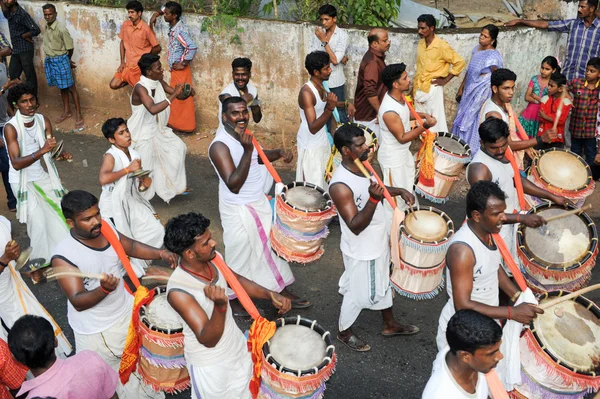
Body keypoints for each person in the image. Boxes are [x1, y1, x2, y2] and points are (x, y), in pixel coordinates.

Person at [51, 190, 178, 399]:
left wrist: (160, 253)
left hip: (124, 310)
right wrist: (103, 290)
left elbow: (131, 246)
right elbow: (78, 301)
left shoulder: (106, 229)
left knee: (136, 364)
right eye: (87, 219)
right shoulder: (64, 256)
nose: (96, 222)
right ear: (70, 222)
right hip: (99, 331)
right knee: (109, 381)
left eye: (97, 214)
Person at [163, 212, 291, 399]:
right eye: (206, 243)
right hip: (211, 367)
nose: (213, 243)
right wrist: (221, 307)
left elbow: (235, 280)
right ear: (190, 253)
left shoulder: (214, 259)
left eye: (210, 238)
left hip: (237, 347)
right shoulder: (179, 292)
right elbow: (208, 339)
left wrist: (269, 294)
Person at [209, 97, 309, 309]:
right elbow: (234, 184)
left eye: (244, 112)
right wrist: (247, 151)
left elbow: (258, 157)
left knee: (268, 248)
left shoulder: (243, 136)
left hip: (257, 202)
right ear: (224, 117)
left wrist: (278, 153)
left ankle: (280, 289)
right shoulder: (219, 146)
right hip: (239, 208)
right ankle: (234, 300)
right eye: (235, 113)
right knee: (240, 253)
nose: (242, 117)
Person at [329, 123, 419, 352]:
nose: (366, 147)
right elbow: (355, 225)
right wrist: (372, 200)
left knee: (382, 280)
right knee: (359, 292)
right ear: (346, 151)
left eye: (365, 142)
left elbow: (377, 188)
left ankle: (389, 323)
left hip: (377, 240)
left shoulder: (364, 165)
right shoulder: (340, 185)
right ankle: (344, 331)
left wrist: (397, 190)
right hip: (362, 247)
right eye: (359, 145)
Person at [436, 180, 544, 350]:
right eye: (497, 213)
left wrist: (520, 297)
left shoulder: (487, 230)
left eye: (503, 211)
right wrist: (511, 313)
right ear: (477, 216)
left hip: (486, 322)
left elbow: (494, 267)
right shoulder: (462, 251)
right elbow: (462, 305)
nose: (503, 217)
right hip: (464, 333)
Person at [466, 118, 571, 268]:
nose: (500, 151)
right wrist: (521, 218)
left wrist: (551, 196)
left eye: (503, 145)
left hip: (508, 224)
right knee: (501, 277)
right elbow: (485, 215)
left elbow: (516, 180)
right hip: (494, 234)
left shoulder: (503, 153)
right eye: (494, 148)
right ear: (482, 143)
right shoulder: (480, 170)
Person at [4, 83, 69, 262]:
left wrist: (60, 154)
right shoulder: (11, 127)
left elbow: (50, 150)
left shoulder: (43, 120)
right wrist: (41, 151)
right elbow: (16, 163)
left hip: (40, 175)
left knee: (60, 210)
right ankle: (41, 261)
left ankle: (62, 253)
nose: (30, 104)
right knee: (38, 222)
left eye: (32, 99)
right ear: (16, 105)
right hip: (21, 181)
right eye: (24, 101)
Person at [99, 117, 165, 277]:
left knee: (155, 229)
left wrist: (145, 183)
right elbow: (103, 178)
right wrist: (127, 170)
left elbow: (140, 185)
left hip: (132, 200)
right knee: (123, 239)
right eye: (121, 133)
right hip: (113, 206)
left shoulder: (135, 154)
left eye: (126, 130)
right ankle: (133, 270)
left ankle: (143, 262)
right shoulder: (111, 156)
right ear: (112, 139)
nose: (127, 135)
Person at [0, 215, 72, 357]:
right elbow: (6, 257)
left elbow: (13, 255)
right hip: (3, 301)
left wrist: (26, 269)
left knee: (33, 333)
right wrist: (4, 259)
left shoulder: (2, 222)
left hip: (13, 288)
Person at [9, 315, 118, 399]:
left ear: (17, 359)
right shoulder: (90, 359)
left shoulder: (37, 396)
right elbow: (112, 396)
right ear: (56, 342)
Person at [129, 53, 188, 203]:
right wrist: (175, 94)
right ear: (149, 72)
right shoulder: (140, 88)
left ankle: (172, 186)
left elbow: (175, 94)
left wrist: (186, 92)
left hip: (157, 129)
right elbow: (153, 109)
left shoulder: (158, 81)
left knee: (179, 148)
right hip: (141, 133)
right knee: (145, 169)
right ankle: (138, 201)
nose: (162, 70)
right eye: (158, 68)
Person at [378, 63, 436, 215]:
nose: (409, 80)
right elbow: (402, 138)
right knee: (395, 204)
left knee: (407, 192)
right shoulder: (389, 111)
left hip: (401, 156)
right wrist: (425, 126)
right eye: (405, 78)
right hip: (393, 160)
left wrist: (422, 115)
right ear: (396, 84)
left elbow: (403, 115)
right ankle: (394, 234)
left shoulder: (398, 97)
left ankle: (406, 228)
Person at [505, 0, 600, 81]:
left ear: (591, 9)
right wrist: (521, 21)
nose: (579, 9)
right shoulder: (573, 24)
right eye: (579, 6)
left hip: (588, 81)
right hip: (567, 77)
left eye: (582, 7)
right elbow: (547, 24)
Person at [479, 68, 556, 169]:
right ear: (495, 89)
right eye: (506, 88)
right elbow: (508, 145)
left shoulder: (503, 104)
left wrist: (528, 148)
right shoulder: (494, 114)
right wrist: (541, 139)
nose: (511, 92)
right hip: (496, 164)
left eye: (512, 88)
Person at [423, 310, 503, 399]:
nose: (500, 356)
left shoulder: (461, 349)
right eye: (491, 353)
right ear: (465, 356)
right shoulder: (439, 394)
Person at [453, 24, 503, 155]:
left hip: (482, 90)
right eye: (481, 34)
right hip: (470, 88)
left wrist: (496, 94)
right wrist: (461, 88)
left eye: (485, 36)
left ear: (492, 40)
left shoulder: (494, 56)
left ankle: (472, 151)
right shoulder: (476, 49)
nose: (481, 38)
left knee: (475, 118)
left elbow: (497, 76)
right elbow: (469, 71)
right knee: (463, 115)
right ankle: (459, 148)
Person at [413, 14, 465, 133]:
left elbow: (459, 62)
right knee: (422, 121)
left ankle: (436, 149)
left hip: (433, 87)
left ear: (432, 28)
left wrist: (445, 80)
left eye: (423, 28)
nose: (419, 31)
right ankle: (425, 149)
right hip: (420, 86)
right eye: (418, 28)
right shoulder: (421, 43)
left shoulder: (441, 45)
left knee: (436, 122)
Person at [151, 1, 198, 133]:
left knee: (181, 95)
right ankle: (176, 123)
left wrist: (183, 62)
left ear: (174, 15)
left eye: (166, 14)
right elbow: (163, 8)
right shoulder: (175, 25)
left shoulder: (178, 31)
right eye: (164, 13)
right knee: (177, 95)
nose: (164, 15)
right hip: (176, 70)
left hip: (180, 70)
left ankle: (185, 126)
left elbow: (192, 46)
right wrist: (157, 14)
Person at [297, 51, 337, 189]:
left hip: (322, 141)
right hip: (310, 144)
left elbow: (326, 105)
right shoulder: (306, 93)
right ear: (316, 72)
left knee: (324, 181)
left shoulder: (321, 85)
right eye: (326, 68)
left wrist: (344, 104)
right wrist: (330, 109)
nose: (330, 70)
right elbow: (313, 127)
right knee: (312, 188)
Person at [41, 3, 84, 129]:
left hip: (61, 60)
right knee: (62, 87)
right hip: (51, 60)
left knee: (71, 88)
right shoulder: (47, 27)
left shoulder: (61, 29)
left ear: (55, 14)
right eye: (46, 15)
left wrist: (67, 60)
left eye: (50, 14)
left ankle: (79, 114)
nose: (48, 17)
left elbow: (70, 47)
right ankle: (67, 111)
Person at [109, 1, 161, 90]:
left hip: (138, 68)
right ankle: (129, 80)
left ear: (139, 13)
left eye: (132, 12)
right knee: (113, 85)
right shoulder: (126, 24)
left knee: (142, 93)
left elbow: (157, 48)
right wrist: (122, 62)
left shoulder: (145, 29)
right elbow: (122, 43)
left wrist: (145, 58)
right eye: (129, 12)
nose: (129, 15)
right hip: (127, 65)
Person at [311, 4, 350, 122]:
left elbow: (335, 60)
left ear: (334, 19)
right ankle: (328, 138)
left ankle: (343, 139)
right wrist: (335, 56)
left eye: (326, 19)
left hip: (335, 81)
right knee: (323, 111)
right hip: (320, 81)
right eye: (322, 19)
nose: (323, 22)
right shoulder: (319, 34)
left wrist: (324, 42)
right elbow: (312, 58)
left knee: (340, 112)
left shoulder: (343, 35)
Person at [567, 57, 600, 178]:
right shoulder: (577, 83)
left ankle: (589, 177)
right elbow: (564, 87)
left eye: (592, 71)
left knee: (591, 154)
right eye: (587, 70)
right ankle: (574, 175)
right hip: (576, 128)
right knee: (575, 152)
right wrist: (568, 98)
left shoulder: (598, 89)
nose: (588, 73)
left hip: (591, 131)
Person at [354, 28, 390, 137]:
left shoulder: (375, 57)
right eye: (385, 40)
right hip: (369, 116)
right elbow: (370, 90)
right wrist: (380, 111)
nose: (388, 43)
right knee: (367, 149)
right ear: (374, 44)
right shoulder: (373, 62)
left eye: (388, 40)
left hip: (372, 113)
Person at [0, 0, 40, 96]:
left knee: (30, 76)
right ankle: (16, 99)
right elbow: (4, 11)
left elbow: (36, 29)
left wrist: (24, 35)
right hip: (17, 50)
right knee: (12, 75)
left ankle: (33, 98)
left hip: (25, 49)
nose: (6, 1)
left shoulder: (22, 14)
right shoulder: (9, 13)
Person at [518, 56, 559, 139]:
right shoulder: (534, 79)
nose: (543, 71)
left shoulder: (553, 84)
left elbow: (550, 101)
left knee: (537, 141)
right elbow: (527, 97)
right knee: (523, 138)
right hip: (529, 114)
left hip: (542, 116)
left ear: (553, 70)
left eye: (547, 69)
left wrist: (535, 97)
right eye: (542, 68)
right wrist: (539, 101)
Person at [0, 33, 17, 212]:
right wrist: (5, 87)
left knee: (7, 164)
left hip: (3, 121)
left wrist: (12, 118)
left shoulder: (2, 68)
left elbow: (4, 99)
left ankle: (13, 201)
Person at [537, 72, 571, 148]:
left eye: (551, 86)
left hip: (556, 138)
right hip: (543, 135)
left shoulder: (565, 102)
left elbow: (561, 120)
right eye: (548, 85)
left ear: (560, 89)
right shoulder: (545, 99)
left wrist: (546, 116)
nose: (548, 87)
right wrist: (552, 117)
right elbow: (541, 118)